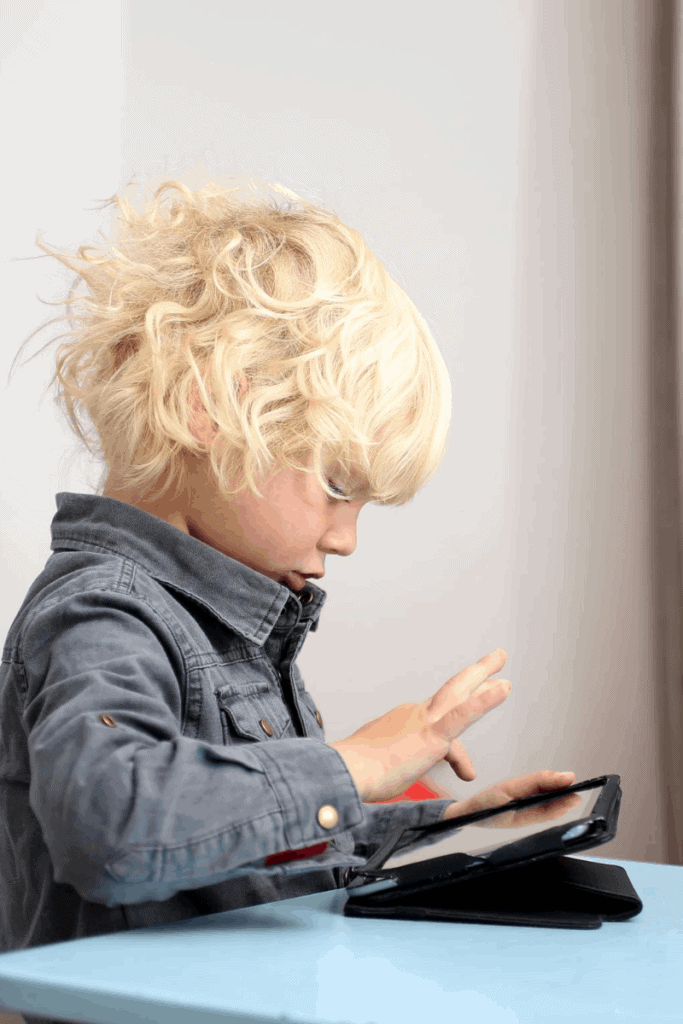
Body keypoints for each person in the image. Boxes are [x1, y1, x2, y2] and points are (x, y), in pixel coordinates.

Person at [0, 175, 575, 1011]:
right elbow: (110, 825)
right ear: (211, 410)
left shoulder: (226, 618)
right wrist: (358, 764)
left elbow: (236, 849)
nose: (344, 537)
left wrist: (448, 832)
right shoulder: (102, 611)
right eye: (338, 486)